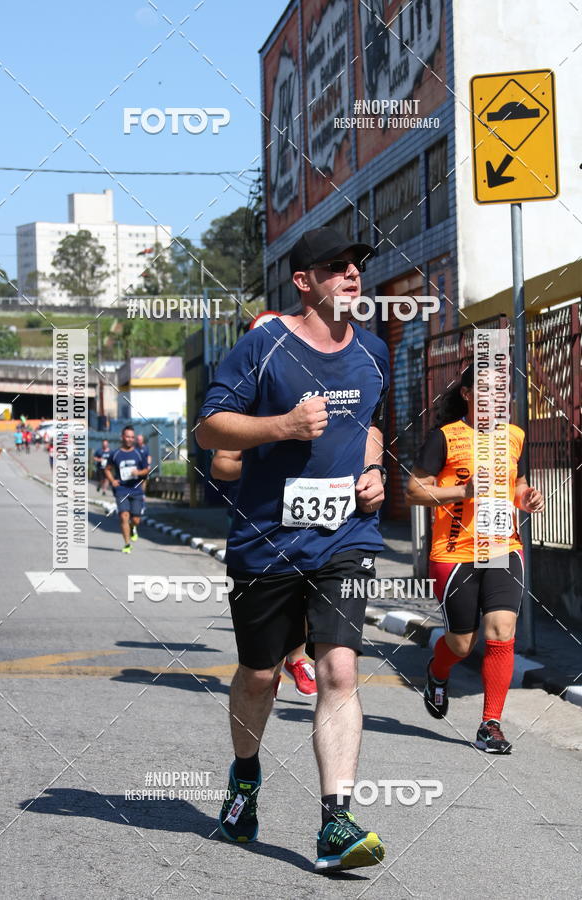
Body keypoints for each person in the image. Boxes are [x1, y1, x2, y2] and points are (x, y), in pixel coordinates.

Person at [196, 226, 390, 873]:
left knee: (338, 670)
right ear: (303, 282)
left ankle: (336, 822)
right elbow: (211, 426)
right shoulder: (265, 347)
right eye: (334, 267)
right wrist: (280, 426)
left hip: (345, 539)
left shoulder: (371, 352)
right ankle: (245, 776)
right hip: (266, 543)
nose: (351, 275)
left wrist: (375, 472)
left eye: (357, 265)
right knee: (260, 676)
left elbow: (369, 426)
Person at [406, 364, 545, 753]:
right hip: (454, 553)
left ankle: (490, 724)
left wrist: (527, 497)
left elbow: (516, 484)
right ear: (468, 394)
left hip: (503, 547)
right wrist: (463, 492)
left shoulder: (514, 437)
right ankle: (437, 673)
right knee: (462, 644)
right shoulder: (445, 438)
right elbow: (414, 492)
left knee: (501, 631)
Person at [210, 449, 317, 698]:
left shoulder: (330, 414)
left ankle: (295, 659)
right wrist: (264, 469)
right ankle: (273, 666)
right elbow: (219, 466)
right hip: (260, 523)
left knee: (304, 596)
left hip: (309, 518)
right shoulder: (252, 413)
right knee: (274, 603)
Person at [104, 425, 150, 552]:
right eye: (127, 436)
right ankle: (127, 544)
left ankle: (133, 527)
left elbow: (147, 470)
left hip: (136, 489)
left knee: (136, 519)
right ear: (122, 437)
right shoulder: (115, 454)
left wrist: (138, 473)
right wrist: (112, 480)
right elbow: (107, 469)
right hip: (121, 490)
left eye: (132, 437)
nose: (130, 439)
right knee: (124, 515)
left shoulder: (139, 454)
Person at [135, 434, 152, 508]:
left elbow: (149, 456)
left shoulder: (146, 448)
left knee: (143, 485)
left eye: (140, 439)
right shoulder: (134, 448)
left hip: (144, 470)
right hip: (137, 470)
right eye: (138, 439)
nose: (139, 441)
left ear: (142, 440)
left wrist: (148, 464)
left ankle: (142, 500)